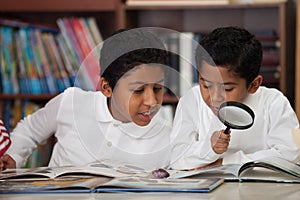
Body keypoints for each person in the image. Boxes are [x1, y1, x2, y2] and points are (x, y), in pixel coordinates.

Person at [0, 28, 172, 171]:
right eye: (138, 90)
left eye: (157, 88)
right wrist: (14, 156)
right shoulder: (71, 103)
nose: (151, 101)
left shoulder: (168, 137)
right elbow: (29, 130)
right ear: (106, 88)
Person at [170, 26, 299, 170]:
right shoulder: (191, 101)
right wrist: (209, 147)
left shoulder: (274, 102)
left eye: (227, 89)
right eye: (206, 85)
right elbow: (176, 159)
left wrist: (226, 162)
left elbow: (291, 155)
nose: (215, 97)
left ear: (254, 85)